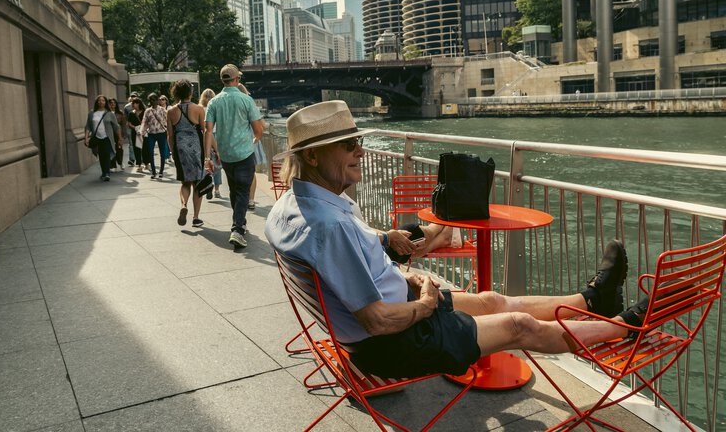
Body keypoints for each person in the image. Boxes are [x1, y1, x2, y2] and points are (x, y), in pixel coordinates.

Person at [265, 100, 652, 380]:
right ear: (313, 156)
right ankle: (624, 327)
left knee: (492, 300)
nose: (360, 151)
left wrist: (406, 274)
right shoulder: (330, 226)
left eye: (357, 141)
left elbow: (350, 263)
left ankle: (591, 300)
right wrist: (426, 305)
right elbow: (379, 321)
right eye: (348, 145)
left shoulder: (291, 207)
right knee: (518, 324)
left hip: (392, 307)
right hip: (394, 342)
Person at [203, 65, 264, 248]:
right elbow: (258, 129)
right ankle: (237, 229)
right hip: (244, 153)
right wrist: (253, 140)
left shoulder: (214, 102)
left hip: (226, 154)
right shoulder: (246, 100)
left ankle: (240, 223)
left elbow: (208, 131)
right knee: (243, 191)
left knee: (233, 189)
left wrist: (207, 157)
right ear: (237, 79)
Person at [166, 79, 207, 227]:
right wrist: (210, 151)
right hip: (196, 148)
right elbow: (205, 131)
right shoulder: (199, 109)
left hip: (180, 148)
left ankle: (184, 205)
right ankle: (196, 218)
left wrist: (172, 151)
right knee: (198, 183)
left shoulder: (170, 111)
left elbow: (169, 135)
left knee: (185, 182)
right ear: (190, 92)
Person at [237, 82, 266, 210]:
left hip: (237, 142)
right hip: (252, 142)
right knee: (251, 172)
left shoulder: (234, 108)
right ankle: (251, 200)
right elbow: (262, 126)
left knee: (237, 172)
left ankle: (241, 198)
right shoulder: (250, 104)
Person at [84, 94, 121, 182]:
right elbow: (88, 126)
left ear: (105, 102)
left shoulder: (109, 113)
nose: (101, 102)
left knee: (106, 154)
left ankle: (107, 173)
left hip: (107, 137)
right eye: (99, 100)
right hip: (97, 137)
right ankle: (104, 172)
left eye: (103, 100)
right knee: (101, 155)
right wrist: (86, 138)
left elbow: (116, 126)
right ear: (97, 102)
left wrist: (120, 138)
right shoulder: (92, 113)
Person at [199, 88, 223, 199]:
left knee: (206, 163)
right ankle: (217, 190)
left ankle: (209, 184)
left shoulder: (200, 109)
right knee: (217, 164)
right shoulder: (215, 108)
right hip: (216, 135)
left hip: (203, 138)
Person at [141, 93, 169, 180]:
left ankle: (161, 171)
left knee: (162, 153)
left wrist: (169, 131)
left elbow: (168, 121)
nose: (152, 101)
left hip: (161, 133)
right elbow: (144, 122)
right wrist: (142, 131)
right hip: (151, 133)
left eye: (154, 99)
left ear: (157, 100)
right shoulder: (147, 111)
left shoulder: (163, 110)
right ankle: (153, 172)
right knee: (150, 152)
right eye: (150, 100)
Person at [108, 97, 127, 171]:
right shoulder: (107, 113)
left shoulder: (120, 113)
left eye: (114, 103)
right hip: (110, 133)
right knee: (111, 149)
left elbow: (124, 124)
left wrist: (124, 135)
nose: (112, 104)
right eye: (111, 103)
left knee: (119, 149)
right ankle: (113, 165)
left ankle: (120, 162)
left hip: (118, 133)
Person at [124, 92, 138, 165]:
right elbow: (125, 117)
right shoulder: (127, 107)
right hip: (130, 127)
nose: (133, 97)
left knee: (139, 142)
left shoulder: (141, 105)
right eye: (132, 96)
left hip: (138, 127)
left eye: (135, 96)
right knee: (131, 144)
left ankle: (140, 159)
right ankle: (132, 159)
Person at [159, 94, 173, 165]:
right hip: (161, 127)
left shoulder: (169, 107)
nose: (161, 101)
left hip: (169, 126)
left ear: (166, 100)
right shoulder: (158, 108)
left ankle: (170, 154)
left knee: (169, 141)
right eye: (160, 99)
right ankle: (165, 156)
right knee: (164, 142)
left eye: (163, 99)